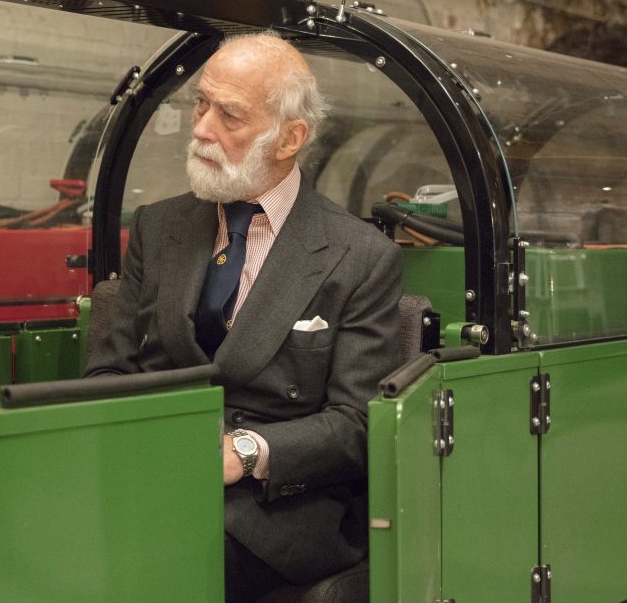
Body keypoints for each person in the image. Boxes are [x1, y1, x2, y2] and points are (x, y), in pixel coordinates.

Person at [85, 32, 402, 601]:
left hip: (275, 509)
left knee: (151, 564)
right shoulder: (159, 228)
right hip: (153, 478)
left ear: (290, 139)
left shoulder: (358, 256)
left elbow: (357, 424)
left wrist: (246, 452)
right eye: (200, 104)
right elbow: (107, 375)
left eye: (229, 115)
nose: (203, 129)